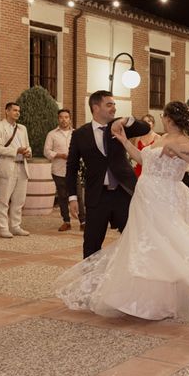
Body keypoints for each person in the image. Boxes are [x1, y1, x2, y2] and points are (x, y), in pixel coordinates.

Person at [55, 101, 189, 320]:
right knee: (142, 243)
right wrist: (125, 141)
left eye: (164, 115)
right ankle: (140, 297)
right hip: (145, 196)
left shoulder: (182, 140)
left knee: (163, 242)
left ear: (169, 119)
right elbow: (143, 159)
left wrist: (177, 151)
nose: (162, 118)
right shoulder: (162, 138)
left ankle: (163, 300)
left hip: (163, 196)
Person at [66, 90, 150, 258]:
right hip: (97, 196)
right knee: (91, 244)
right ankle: (89, 280)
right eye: (109, 104)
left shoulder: (119, 126)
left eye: (114, 104)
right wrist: (72, 197)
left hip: (124, 192)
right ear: (96, 107)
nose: (114, 108)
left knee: (137, 238)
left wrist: (126, 121)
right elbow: (71, 167)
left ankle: (138, 278)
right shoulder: (79, 134)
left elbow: (145, 127)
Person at [0, 102, 31, 238]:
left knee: (19, 200)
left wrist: (28, 152)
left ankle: (15, 226)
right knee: (4, 199)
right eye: (14, 110)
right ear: (7, 111)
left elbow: (27, 145)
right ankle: (3, 228)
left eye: (19, 110)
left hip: (22, 165)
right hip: (7, 166)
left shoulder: (22, 128)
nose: (17, 113)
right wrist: (16, 151)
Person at [44, 109, 85, 232]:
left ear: (70, 119)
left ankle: (83, 221)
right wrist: (59, 155)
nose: (64, 119)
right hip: (58, 170)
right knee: (62, 196)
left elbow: (83, 150)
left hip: (74, 171)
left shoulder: (76, 133)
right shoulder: (52, 134)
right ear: (58, 119)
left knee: (79, 196)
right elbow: (46, 151)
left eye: (66, 117)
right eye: (61, 117)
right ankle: (66, 221)